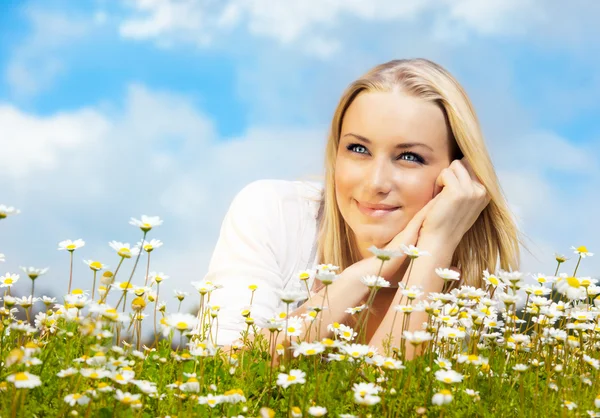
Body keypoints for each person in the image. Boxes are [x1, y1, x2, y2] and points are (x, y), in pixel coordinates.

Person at [203, 58, 521, 358]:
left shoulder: (476, 279)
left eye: (409, 157)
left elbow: (390, 402)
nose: (375, 183)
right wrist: (367, 274)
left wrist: (435, 245)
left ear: (458, 173)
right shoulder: (275, 214)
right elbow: (228, 371)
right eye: (358, 149)